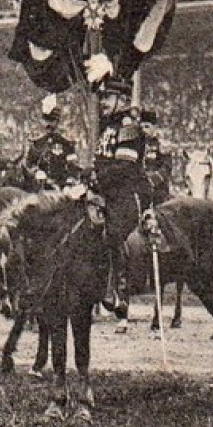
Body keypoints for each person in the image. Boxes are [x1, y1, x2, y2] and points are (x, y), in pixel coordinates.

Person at [91, 75, 149, 320]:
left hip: (127, 194)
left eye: (108, 97)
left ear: (123, 100)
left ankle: (120, 292)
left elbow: (124, 167)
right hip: (106, 192)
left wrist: (97, 176)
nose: (103, 101)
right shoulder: (108, 127)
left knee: (113, 234)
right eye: (103, 96)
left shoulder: (128, 128)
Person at [23, 94, 79, 190]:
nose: (49, 124)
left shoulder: (66, 143)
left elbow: (72, 166)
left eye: (53, 120)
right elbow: (29, 163)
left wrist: (69, 180)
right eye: (47, 120)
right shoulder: (37, 142)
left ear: (57, 122)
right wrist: (36, 172)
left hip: (61, 186)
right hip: (40, 186)